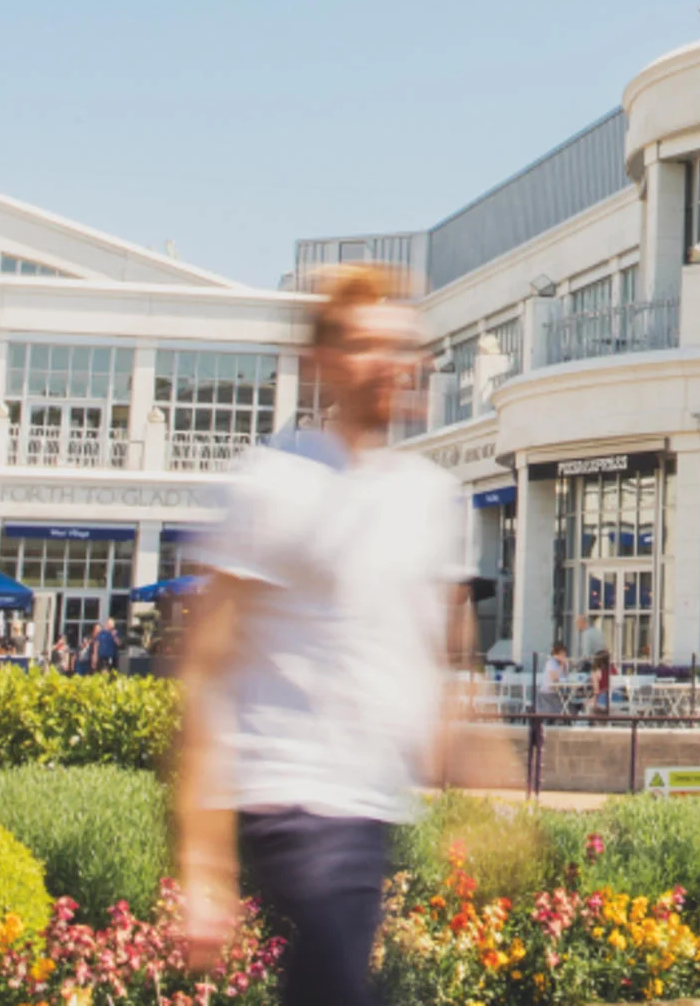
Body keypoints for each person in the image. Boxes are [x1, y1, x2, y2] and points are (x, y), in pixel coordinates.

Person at [177, 263, 494, 1006]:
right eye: (362, 345)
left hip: (372, 801)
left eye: (401, 346)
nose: (388, 363)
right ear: (319, 361)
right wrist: (202, 863)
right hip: (289, 794)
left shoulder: (433, 499)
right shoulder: (269, 486)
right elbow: (203, 669)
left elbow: (452, 657)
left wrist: (482, 775)